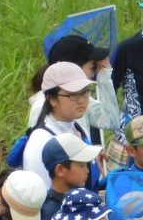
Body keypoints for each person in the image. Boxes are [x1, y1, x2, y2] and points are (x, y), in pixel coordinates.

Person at [23, 62, 102, 190]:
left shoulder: (76, 126)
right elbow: (40, 197)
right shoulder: (41, 142)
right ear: (52, 99)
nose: (81, 100)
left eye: (85, 92)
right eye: (73, 94)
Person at [27, 34, 117, 144]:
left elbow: (111, 121)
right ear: (73, 67)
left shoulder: (79, 99)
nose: (94, 74)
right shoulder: (41, 106)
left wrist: (105, 77)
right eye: (92, 68)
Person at [40, 134, 103, 220]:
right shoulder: (52, 212)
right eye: (81, 165)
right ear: (60, 170)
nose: (87, 171)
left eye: (87, 165)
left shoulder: (79, 199)